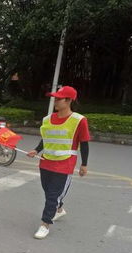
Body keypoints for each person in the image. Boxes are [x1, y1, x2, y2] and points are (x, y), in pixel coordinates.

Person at [27, 86, 90, 239]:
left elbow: (85, 143)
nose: (55, 101)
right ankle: (59, 209)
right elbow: (46, 138)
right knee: (48, 192)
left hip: (65, 163)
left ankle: (45, 224)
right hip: (46, 161)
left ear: (68, 101)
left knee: (52, 195)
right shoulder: (48, 119)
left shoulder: (79, 120)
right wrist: (36, 150)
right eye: (54, 98)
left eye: (58, 98)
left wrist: (84, 164)